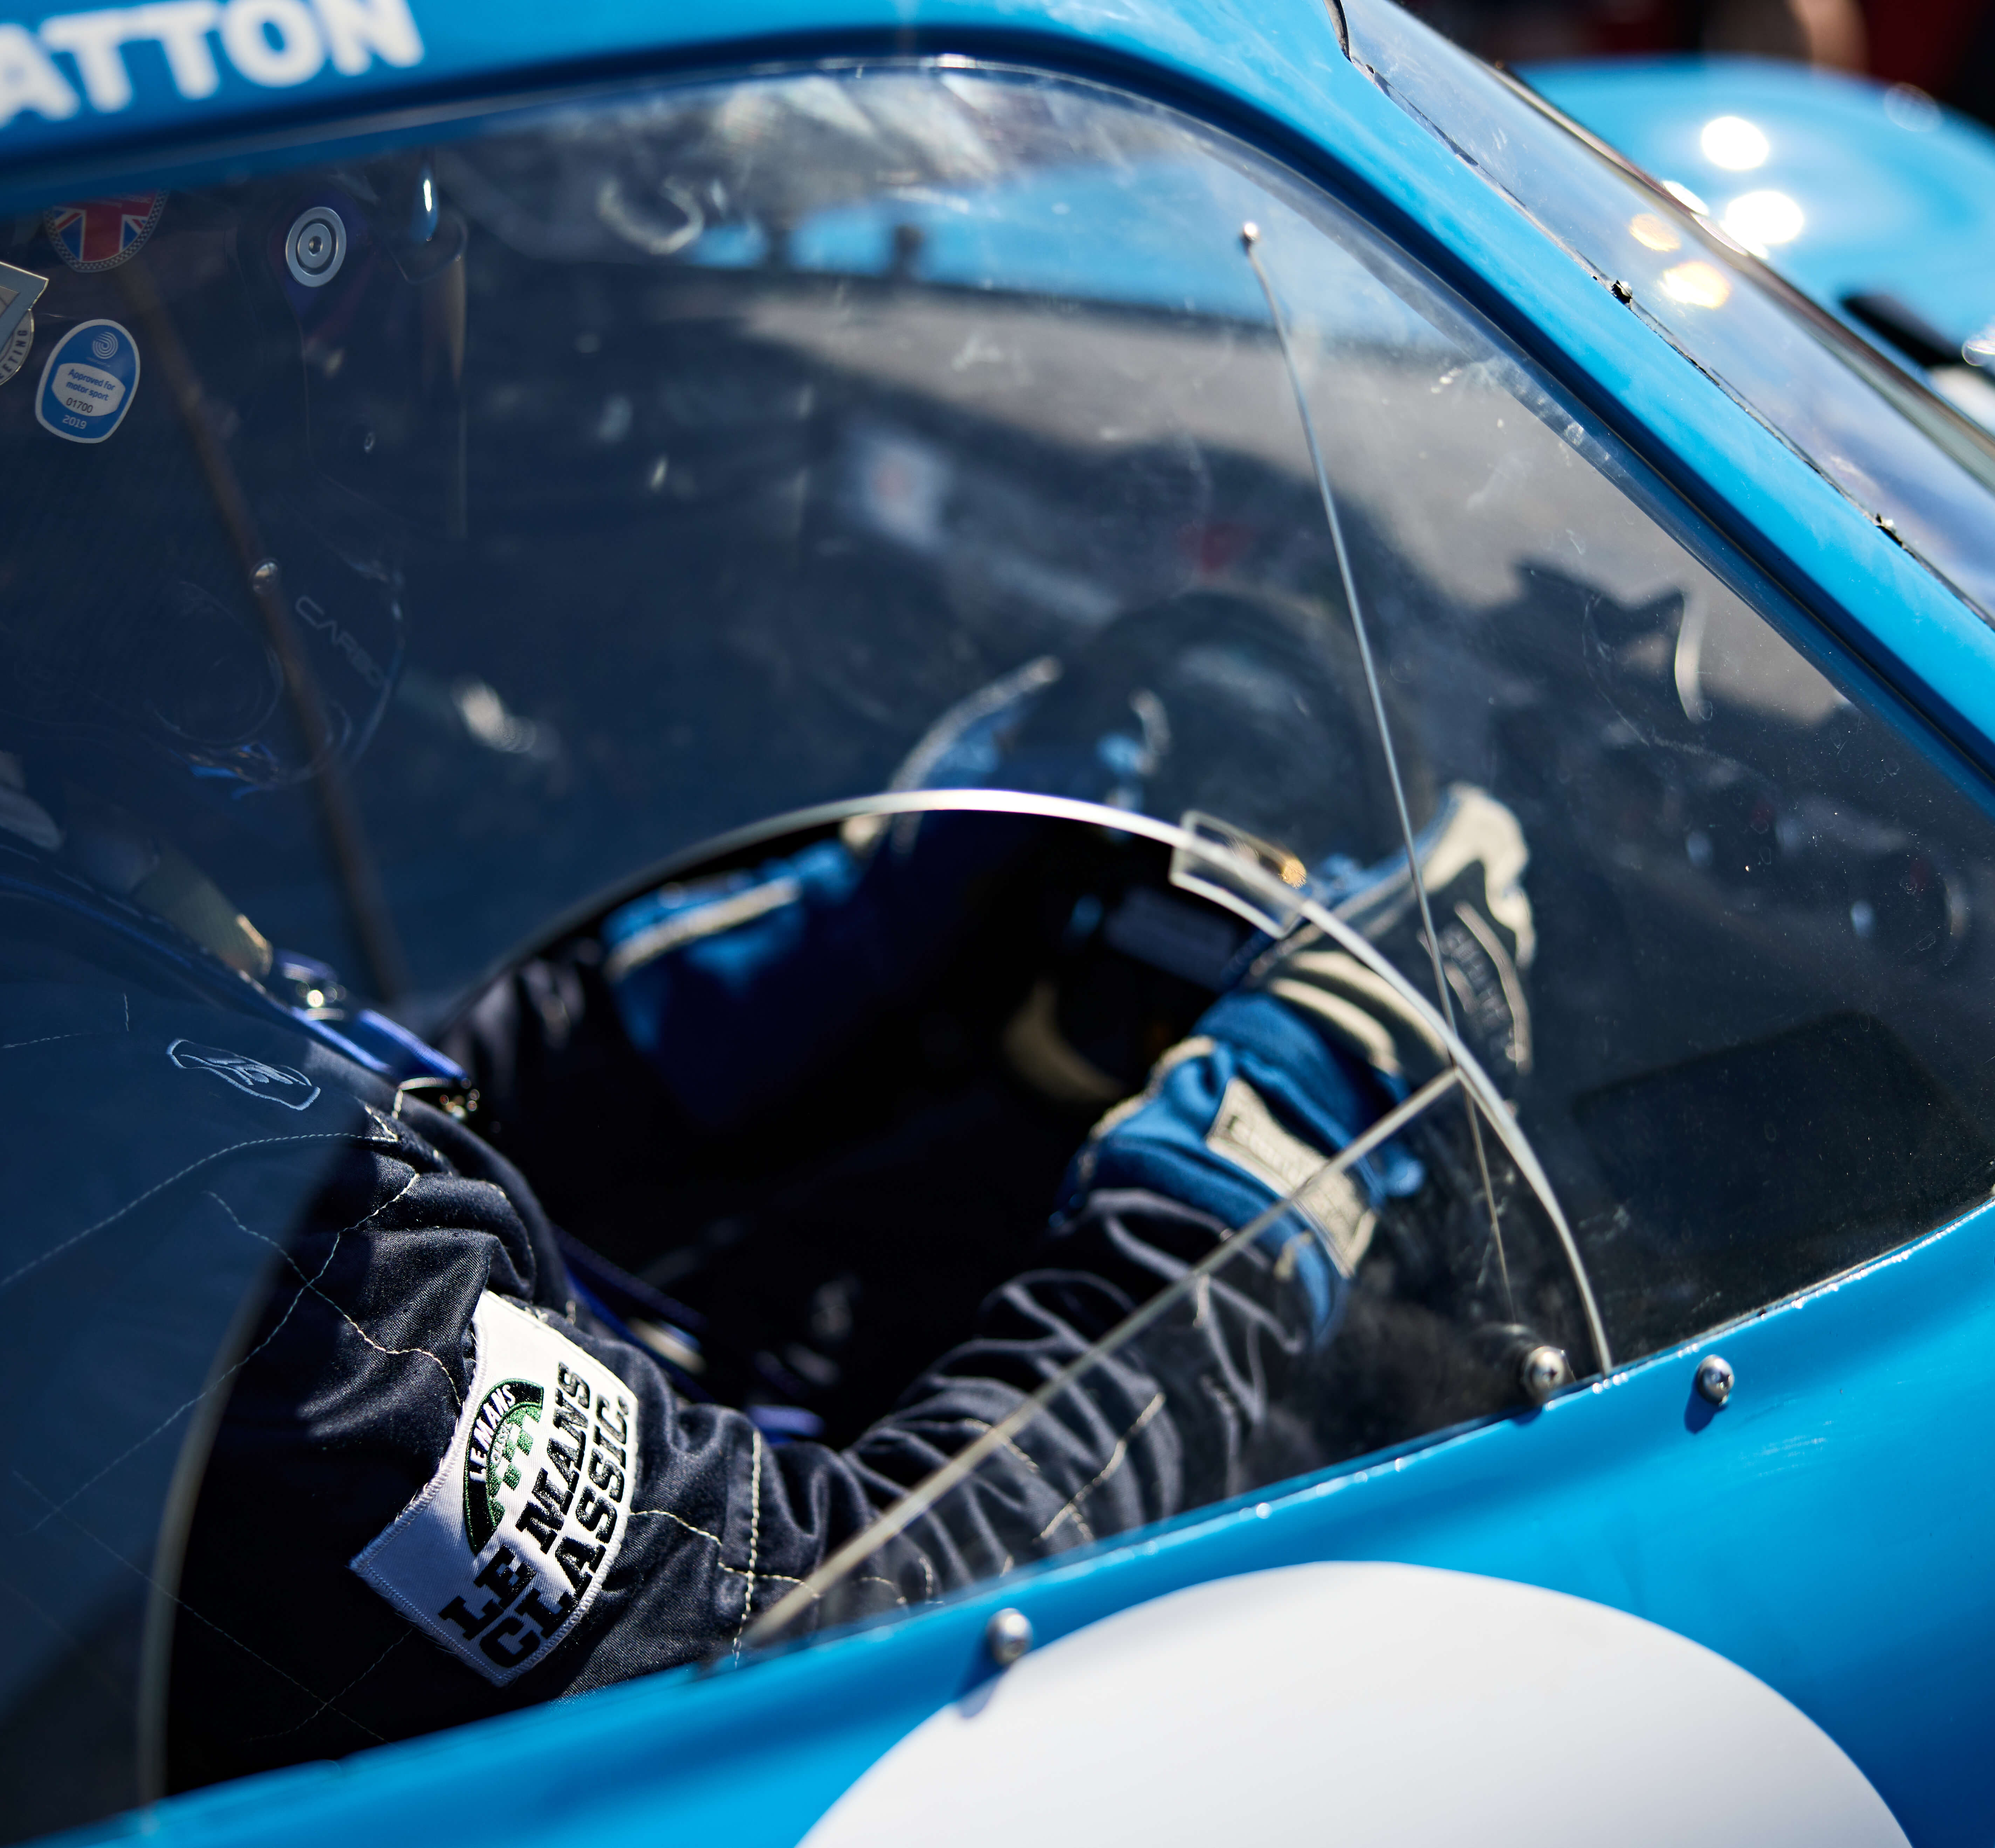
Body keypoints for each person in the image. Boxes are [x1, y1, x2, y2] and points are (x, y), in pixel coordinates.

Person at [0, 168, 1536, 1794]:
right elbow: (836, 1644)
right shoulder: (192, 1226)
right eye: (284, 347)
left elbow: (319, 1140)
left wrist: (818, 942)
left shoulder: (68, 937)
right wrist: (1257, 1175)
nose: (326, 437)